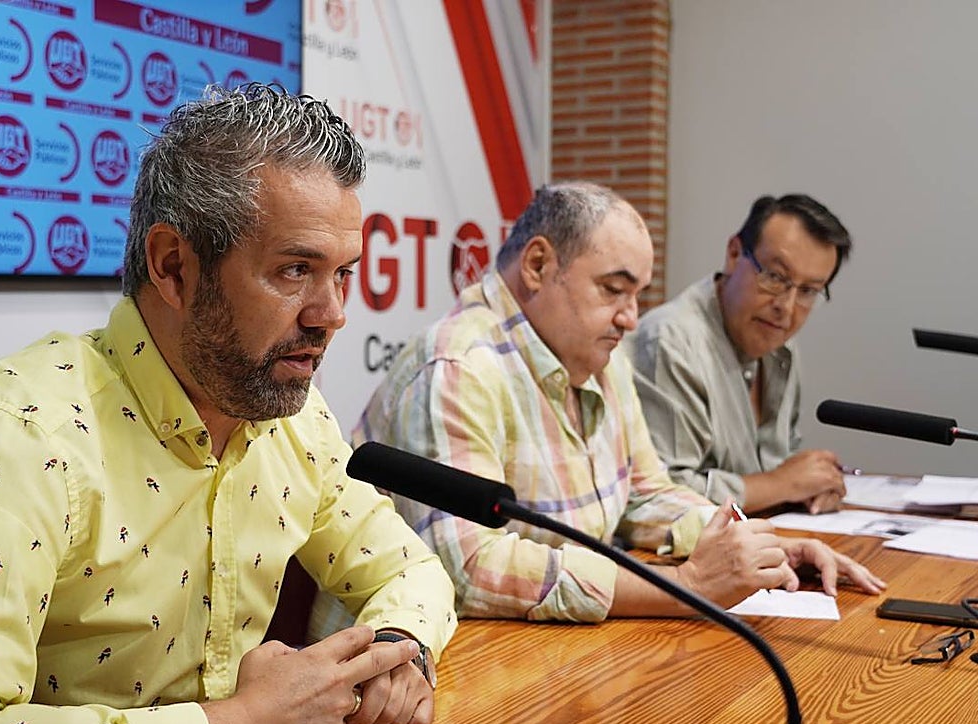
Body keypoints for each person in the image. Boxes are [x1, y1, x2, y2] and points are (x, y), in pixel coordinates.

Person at [0, 84, 456, 724]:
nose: (332, 314)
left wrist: (396, 657)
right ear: (174, 267)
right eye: (295, 271)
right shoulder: (15, 435)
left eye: (342, 273)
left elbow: (413, 574)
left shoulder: (288, 417)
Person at [354, 182, 883, 623]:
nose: (632, 318)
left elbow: (644, 495)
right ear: (538, 265)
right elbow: (466, 568)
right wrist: (684, 585)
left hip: (542, 651)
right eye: (613, 290)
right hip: (416, 680)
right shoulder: (458, 368)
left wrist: (759, 545)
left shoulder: (603, 357)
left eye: (638, 296)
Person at [631, 194, 851, 515]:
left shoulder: (781, 347)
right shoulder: (671, 341)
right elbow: (661, 494)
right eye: (775, 277)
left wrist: (814, 486)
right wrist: (782, 484)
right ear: (734, 254)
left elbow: (783, 461)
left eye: (808, 291)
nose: (786, 308)